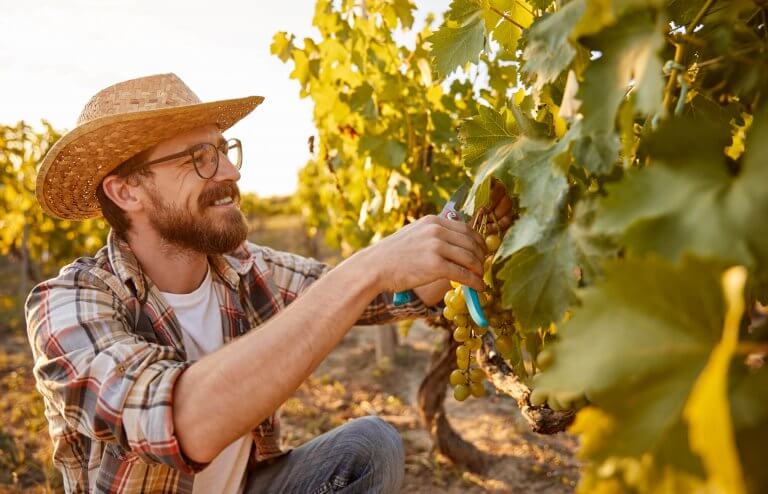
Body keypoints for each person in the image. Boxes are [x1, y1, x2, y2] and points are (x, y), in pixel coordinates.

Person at [25, 73, 514, 493]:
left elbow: (387, 296)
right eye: (200, 157)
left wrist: (474, 222)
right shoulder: (68, 304)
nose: (231, 171)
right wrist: (366, 267)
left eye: (224, 149)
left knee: (370, 446)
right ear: (126, 189)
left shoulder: (242, 268)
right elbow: (180, 422)